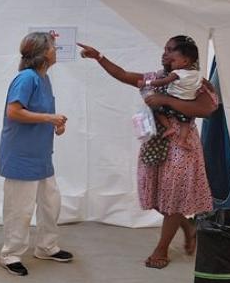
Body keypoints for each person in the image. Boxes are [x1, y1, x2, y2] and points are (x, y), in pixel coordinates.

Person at [78, 36, 217, 269]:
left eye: (171, 50)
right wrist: (98, 56)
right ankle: (187, 225)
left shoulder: (196, 82)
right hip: (155, 143)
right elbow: (123, 75)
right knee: (160, 199)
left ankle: (161, 249)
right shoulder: (156, 79)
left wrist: (165, 100)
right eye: (164, 49)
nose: (165, 54)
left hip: (181, 147)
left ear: (187, 58)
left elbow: (205, 109)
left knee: (172, 198)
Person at [0, 32, 73, 277]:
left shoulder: (44, 78)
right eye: (53, 46)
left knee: (51, 204)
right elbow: (14, 112)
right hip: (21, 157)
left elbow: (39, 114)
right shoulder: (26, 78)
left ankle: (46, 246)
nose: (56, 50)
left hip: (41, 157)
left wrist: (55, 125)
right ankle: (10, 254)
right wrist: (50, 118)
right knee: (20, 209)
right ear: (42, 53)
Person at [137, 37, 201, 147]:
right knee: (185, 122)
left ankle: (169, 127)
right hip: (186, 108)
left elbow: (162, 82)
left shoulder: (177, 73)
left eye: (173, 60)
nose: (170, 62)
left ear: (185, 61)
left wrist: (146, 83)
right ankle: (182, 140)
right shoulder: (197, 75)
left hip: (174, 104)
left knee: (157, 109)